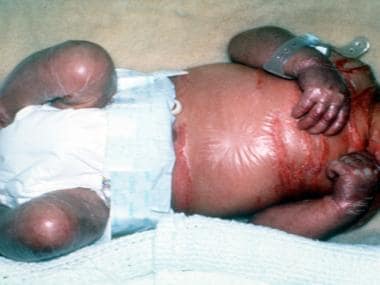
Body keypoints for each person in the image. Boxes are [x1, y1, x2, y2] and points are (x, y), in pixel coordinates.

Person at [0, 26, 378, 262]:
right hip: (97, 103)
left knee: (47, 229)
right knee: (83, 62)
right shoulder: (352, 74)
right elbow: (244, 42)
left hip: (107, 196)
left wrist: (341, 205)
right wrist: (309, 63)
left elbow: (265, 231)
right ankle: (5, 108)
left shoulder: (365, 190)